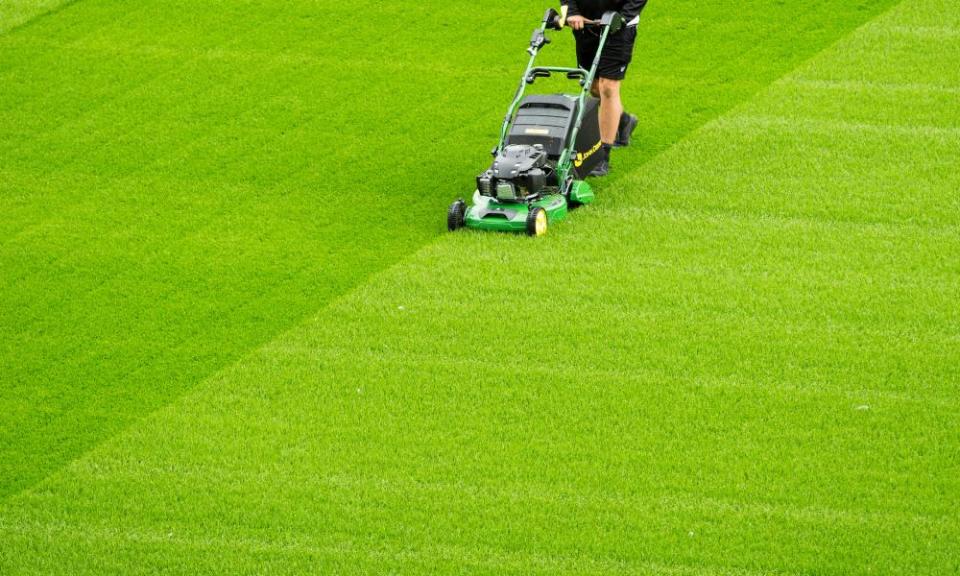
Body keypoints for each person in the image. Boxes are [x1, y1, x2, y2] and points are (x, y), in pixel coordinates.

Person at [561, 0, 647, 176]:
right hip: (585, 24)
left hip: (619, 27)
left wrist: (623, 18)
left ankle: (601, 157)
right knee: (594, 88)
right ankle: (624, 122)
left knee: (608, 87)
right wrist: (571, 11)